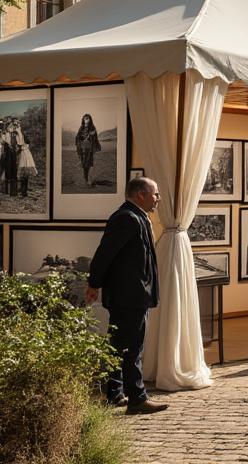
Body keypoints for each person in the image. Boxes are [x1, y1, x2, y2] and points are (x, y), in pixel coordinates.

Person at [85, 177, 167, 414]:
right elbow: (105, 253)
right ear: (140, 194)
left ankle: (115, 393)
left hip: (131, 294)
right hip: (129, 295)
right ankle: (137, 399)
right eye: (155, 194)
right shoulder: (126, 218)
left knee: (119, 345)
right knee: (133, 347)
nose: (158, 199)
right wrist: (94, 283)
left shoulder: (136, 217)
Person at [75, 113, 101, 187]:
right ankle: (86, 180)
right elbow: (77, 137)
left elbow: (95, 138)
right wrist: (80, 140)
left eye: (88, 118)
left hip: (89, 149)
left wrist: (92, 135)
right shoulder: (81, 128)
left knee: (89, 164)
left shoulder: (92, 127)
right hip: (82, 148)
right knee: (84, 164)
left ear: (90, 119)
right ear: (83, 119)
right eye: (85, 118)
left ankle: (88, 179)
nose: (86, 120)